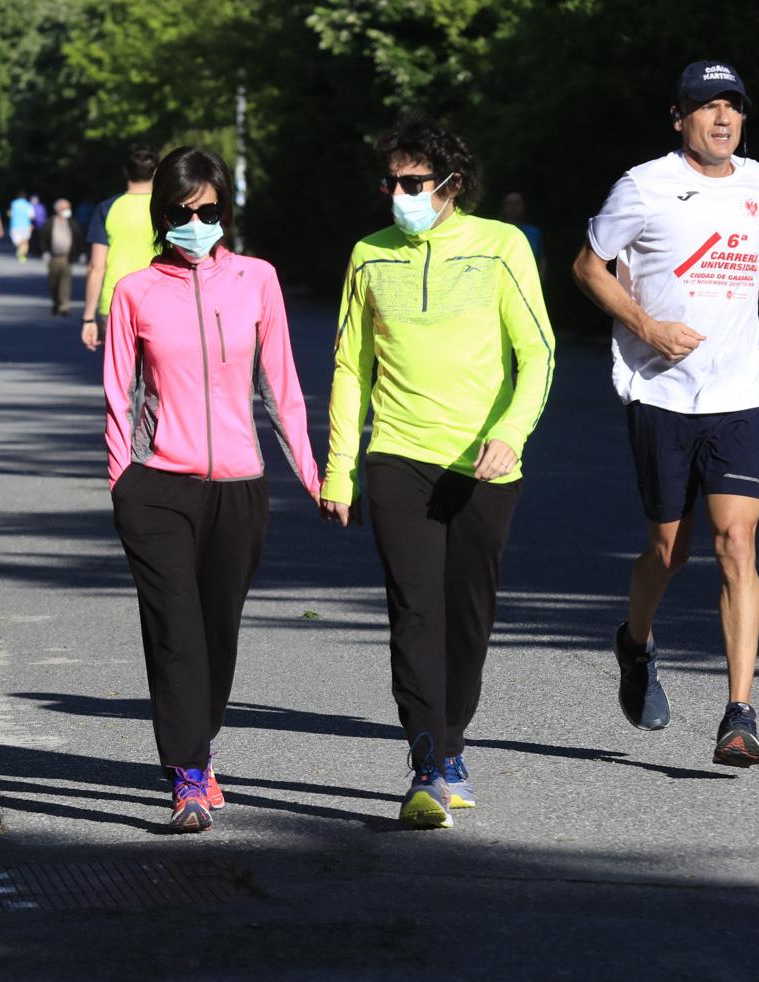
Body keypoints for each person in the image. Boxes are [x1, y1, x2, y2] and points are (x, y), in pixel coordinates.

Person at [571, 61, 759, 767]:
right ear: (678, 116)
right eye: (706, 107)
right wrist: (647, 328)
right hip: (661, 392)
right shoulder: (643, 185)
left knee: (736, 543)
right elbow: (588, 267)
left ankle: (740, 713)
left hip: (738, 391)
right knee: (669, 552)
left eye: (733, 107)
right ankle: (637, 642)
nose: (722, 119)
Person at [320, 114, 555, 829]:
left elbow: (538, 354)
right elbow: (348, 366)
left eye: (413, 181)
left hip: (483, 464)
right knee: (414, 611)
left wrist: (511, 434)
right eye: (390, 181)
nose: (398, 193)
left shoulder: (501, 246)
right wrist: (340, 466)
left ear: (451, 185)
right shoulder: (368, 255)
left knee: (467, 618)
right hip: (397, 456)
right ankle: (426, 764)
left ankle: (453, 743)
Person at [105, 147, 320, 833]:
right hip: (159, 488)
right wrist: (122, 481)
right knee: (176, 633)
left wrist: (314, 476)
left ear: (225, 211)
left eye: (208, 212)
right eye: (182, 212)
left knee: (217, 634)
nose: (197, 223)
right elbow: (118, 393)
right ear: (162, 214)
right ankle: (187, 775)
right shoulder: (135, 291)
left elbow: (281, 386)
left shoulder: (257, 280)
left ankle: (201, 742)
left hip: (238, 489)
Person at [82, 143, 160, 351]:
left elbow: (96, 267)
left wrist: (88, 318)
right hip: (160, 299)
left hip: (116, 301)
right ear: (156, 171)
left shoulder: (107, 209)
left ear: (126, 171)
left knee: (122, 376)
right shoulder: (165, 209)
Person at [38, 197, 83, 316]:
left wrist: (80, 252)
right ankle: (56, 302)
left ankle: (64, 306)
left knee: (65, 282)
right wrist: (44, 252)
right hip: (54, 257)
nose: (67, 210)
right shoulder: (50, 222)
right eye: (64, 208)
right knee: (53, 282)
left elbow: (79, 238)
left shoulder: (72, 223)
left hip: (67, 257)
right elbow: (43, 238)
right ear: (57, 209)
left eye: (68, 207)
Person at [502, 191, 547, 282]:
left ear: (523, 207)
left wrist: (540, 278)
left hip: (528, 283)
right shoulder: (497, 232)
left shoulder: (534, 233)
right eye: (509, 203)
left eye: (517, 203)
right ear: (503, 208)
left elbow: (541, 259)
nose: (513, 207)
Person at [8, 190, 35, 263]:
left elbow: (10, 214)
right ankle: (21, 254)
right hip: (26, 225)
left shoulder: (14, 203)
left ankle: (20, 254)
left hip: (15, 225)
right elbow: (31, 216)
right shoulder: (28, 204)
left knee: (18, 242)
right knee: (25, 241)